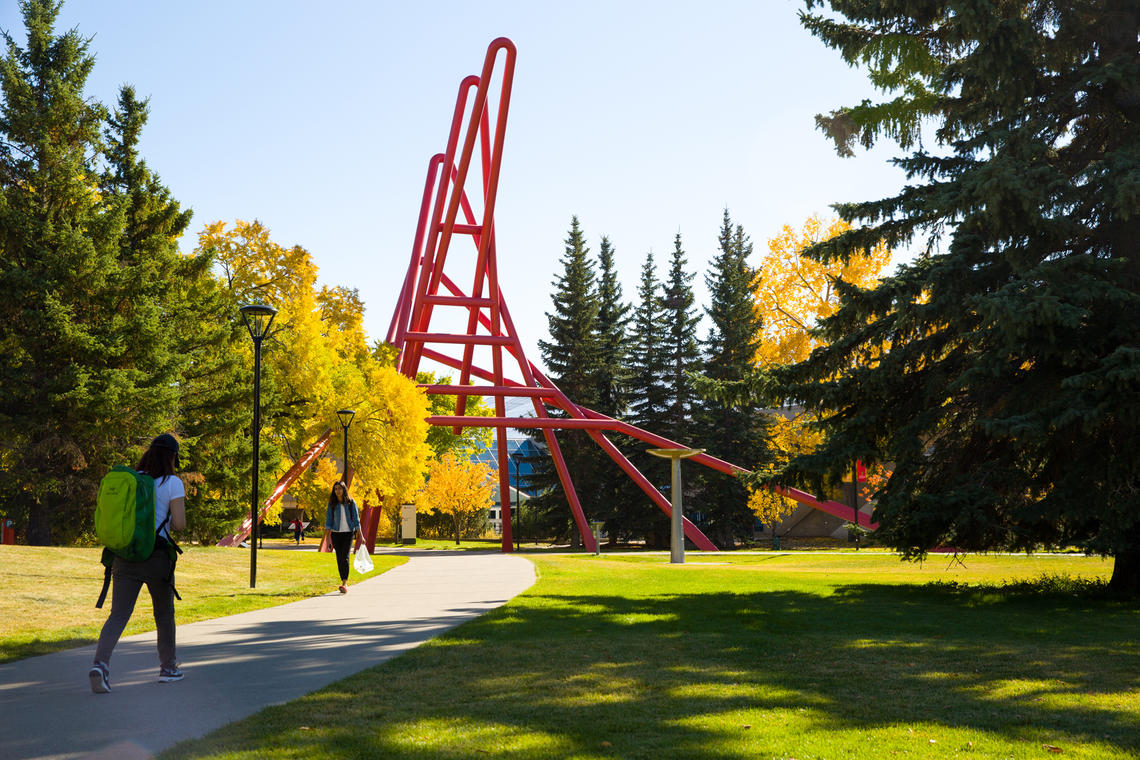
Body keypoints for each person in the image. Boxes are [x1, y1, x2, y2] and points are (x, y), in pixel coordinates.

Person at [90, 433, 186, 694]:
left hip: (125, 555)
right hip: (156, 558)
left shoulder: (132, 480)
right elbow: (179, 524)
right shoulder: (172, 482)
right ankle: (168, 668)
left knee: (118, 614)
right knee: (164, 614)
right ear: (172, 457)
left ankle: (101, 665)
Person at [324, 481, 360, 594]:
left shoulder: (350, 502)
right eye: (335, 489)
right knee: (339, 558)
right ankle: (343, 580)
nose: (337, 491)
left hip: (348, 533)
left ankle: (344, 583)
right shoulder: (332, 504)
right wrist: (327, 539)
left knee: (345, 557)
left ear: (344, 489)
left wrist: (361, 536)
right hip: (336, 534)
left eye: (339, 488)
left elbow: (356, 519)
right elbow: (328, 521)